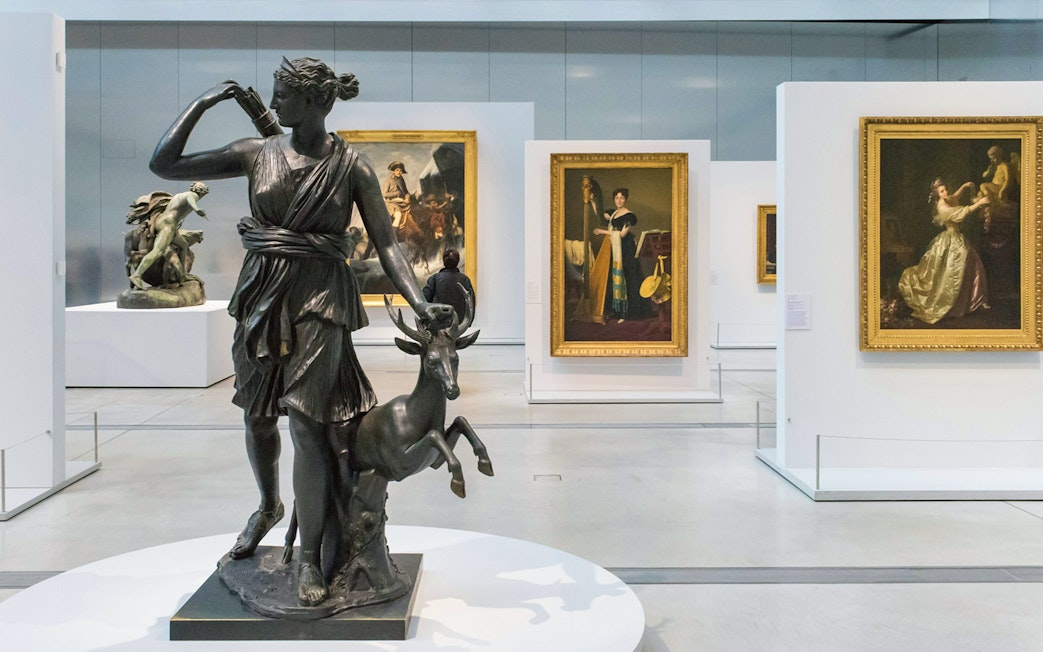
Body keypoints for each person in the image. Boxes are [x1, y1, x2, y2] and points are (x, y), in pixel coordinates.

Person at [149, 56, 452, 607]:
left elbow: (387, 244)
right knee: (258, 417)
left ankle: (310, 557)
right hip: (263, 297)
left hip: (321, 301)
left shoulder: (351, 166)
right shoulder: (255, 152)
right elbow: (164, 164)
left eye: (284, 94)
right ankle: (269, 505)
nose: (275, 101)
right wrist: (204, 102)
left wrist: (420, 302)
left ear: (315, 102)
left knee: (308, 427)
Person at [898, 178, 990, 324]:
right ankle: (955, 304)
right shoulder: (942, 207)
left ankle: (973, 301)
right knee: (951, 272)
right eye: (942, 191)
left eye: (946, 189)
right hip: (950, 240)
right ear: (938, 195)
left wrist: (964, 186)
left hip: (957, 238)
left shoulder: (947, 199)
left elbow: (955, 197)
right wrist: (979, 203)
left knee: (973, 264)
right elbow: (961, 212)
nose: (946, 192)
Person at [128, 182, 208, 289]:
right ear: (201, 191)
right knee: (157, 251)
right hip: (167, 225)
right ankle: (136, 275)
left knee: (183, 245)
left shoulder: (179, 195)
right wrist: (197, 209)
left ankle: (183, 275)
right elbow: (191, 200)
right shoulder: (192, 195)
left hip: (166, 223)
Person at [593, 187, 651, 321]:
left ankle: (629, 312)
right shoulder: (614, 213)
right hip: (616, 248)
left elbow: (622, 234)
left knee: (628, 277)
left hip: (626, 248)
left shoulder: (629, 215)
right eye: (617, 198)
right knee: (614, 278)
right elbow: (601, 217)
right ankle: (617, 310)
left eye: (622, 198)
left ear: (626, 199)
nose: (619, 200)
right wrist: (593, 201)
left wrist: (602, 232)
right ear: (614, 199)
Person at [423, 248, 475, 323]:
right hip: (459, 323)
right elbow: (471, 303)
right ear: (458, 261)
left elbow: (424, 300)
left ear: (444, 261)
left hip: (438, 322)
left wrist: (426, 321)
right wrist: (468, 322)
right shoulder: (465, 280)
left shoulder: (434, 278)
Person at [383, 161, 412, 229]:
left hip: (402, 202)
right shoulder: (388, 180)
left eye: (401, 170)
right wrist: (396, 193)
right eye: (397, 170)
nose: (399, 172)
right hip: (391, 203)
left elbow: (406, 192)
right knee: (398, 215)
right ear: (393, 171)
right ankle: (394, 236)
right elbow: (384, 194)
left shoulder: (401, 180)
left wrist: (407, 198)